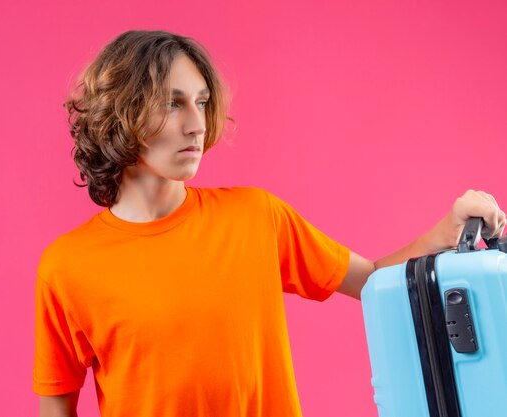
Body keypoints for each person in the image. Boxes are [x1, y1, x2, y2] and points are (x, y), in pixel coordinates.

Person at [33, 30, 505, 417]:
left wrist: (446, 231)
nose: (197, 124)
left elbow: (374, 282)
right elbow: (56, 408)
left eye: (201, 102)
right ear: (121, 112)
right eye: (173, 103)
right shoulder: (68, 266)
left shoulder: (256, 216)